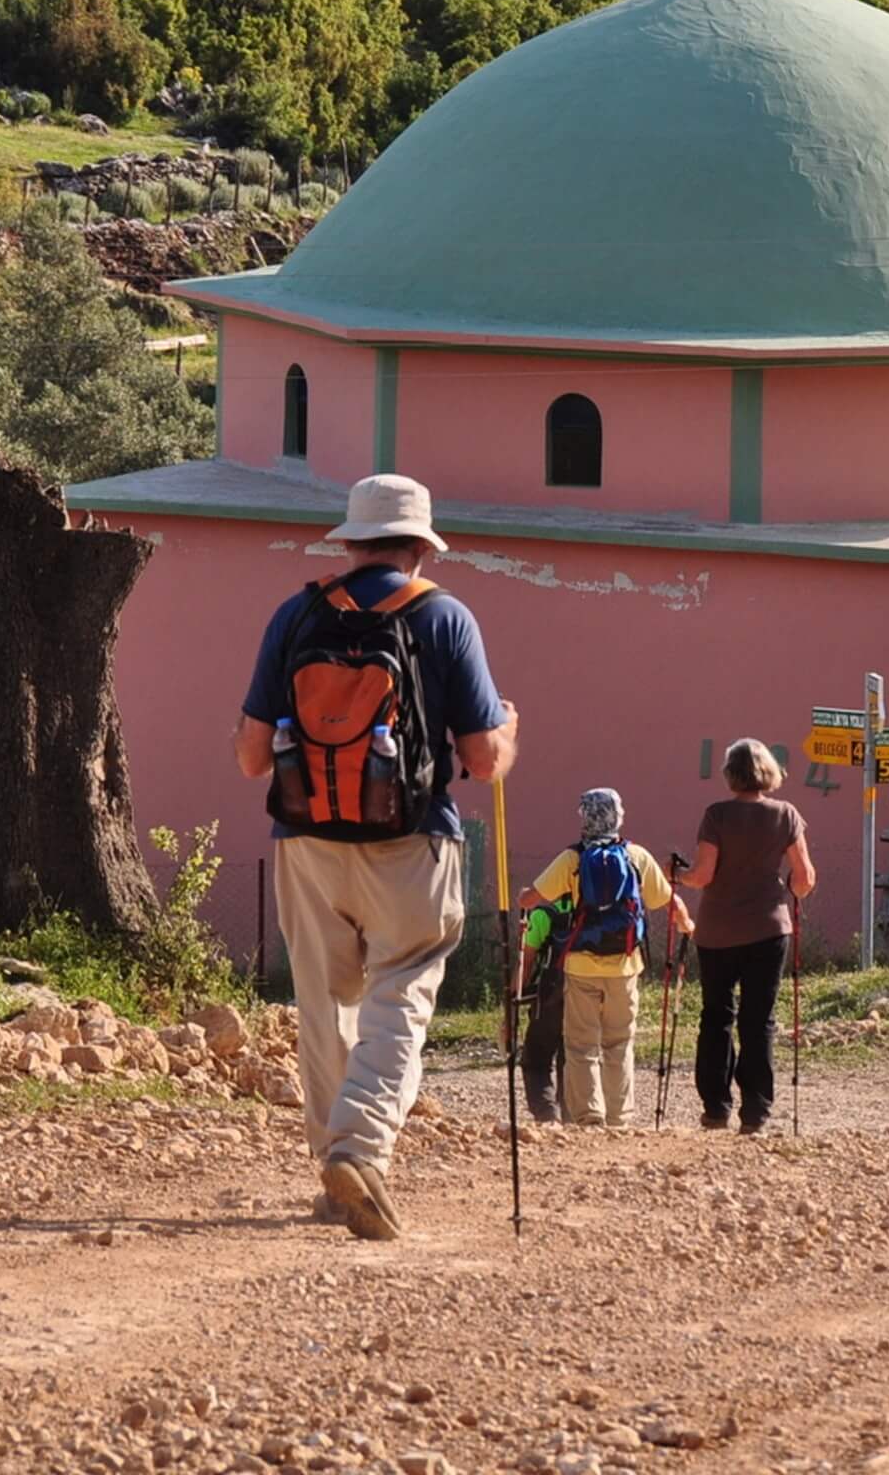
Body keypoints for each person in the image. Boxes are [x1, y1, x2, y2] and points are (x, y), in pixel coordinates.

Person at [233, 472, 516, 1242]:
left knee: (325, 1007)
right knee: (402, 991)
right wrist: (511, 728)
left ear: (350, 542)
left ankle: (333, 1172)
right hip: (413, 839)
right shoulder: (445, 617)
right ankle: (359, 1151)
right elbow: (485, 760)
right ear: (422, 549)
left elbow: (253, 759)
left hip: (306, 840)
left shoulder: (296, 613)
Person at [516, 789, 688, 1128]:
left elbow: (532, 899)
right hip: (625, 966)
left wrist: (523, 896)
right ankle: (619, 1115)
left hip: (580, 965)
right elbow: (671, 904)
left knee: (581, 1043)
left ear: (584, 818)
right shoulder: (636, 856)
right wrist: (687, 926)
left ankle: (587, 1114)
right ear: (618, 817)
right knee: (619, 1041)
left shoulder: (573, 859)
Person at [679, 739, 815, 1133]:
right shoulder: (787, 815)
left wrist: (679, 875)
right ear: (768, 772)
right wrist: (788, 885)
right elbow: (803, 880)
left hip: (717, 931)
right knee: (759, 1020)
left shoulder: (716, 815)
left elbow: (703, 876)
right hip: (769, 931)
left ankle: (716, 1108)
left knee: (717, 1017)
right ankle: (756, 1112)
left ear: (731, 774)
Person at [511, 886, 572, 1124]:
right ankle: (573, 1115)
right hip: (588, 996)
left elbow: (525, 962)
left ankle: (547, 1115)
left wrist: (511, 1007)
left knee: (536, 1059)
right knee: (575, 1057)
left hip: (550, 997)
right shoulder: (591, 913)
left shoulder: (544, 914)